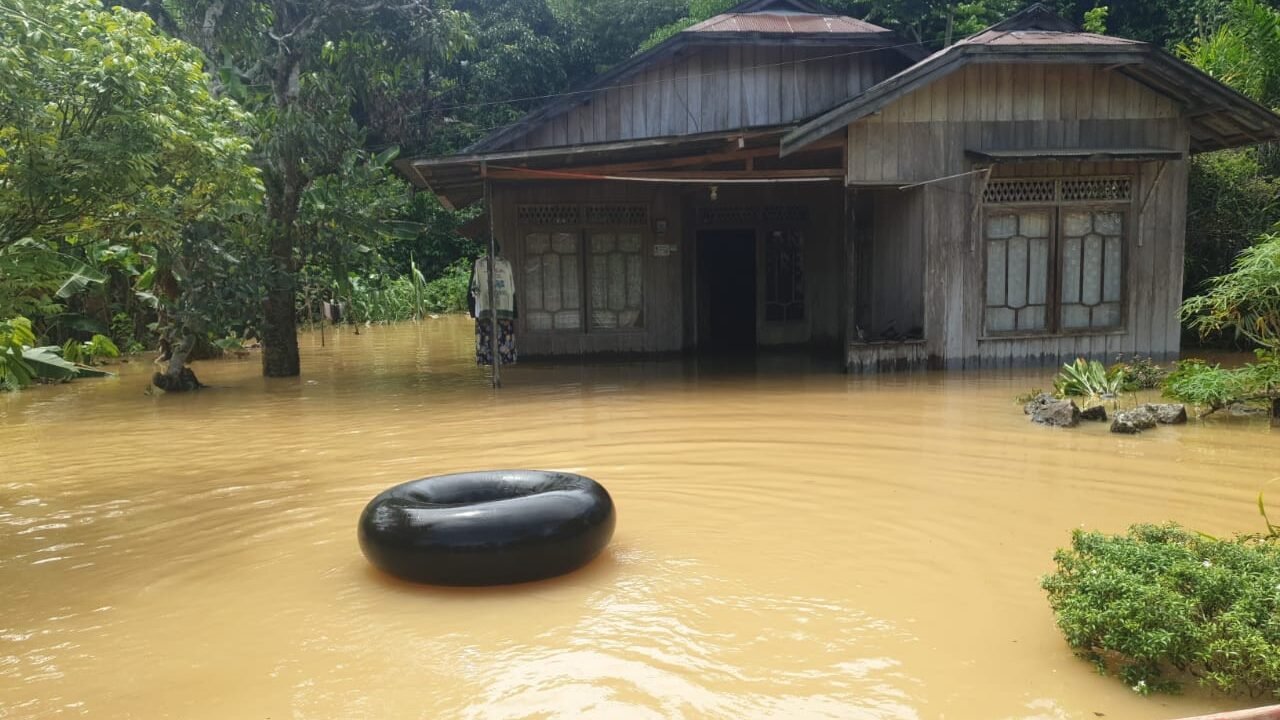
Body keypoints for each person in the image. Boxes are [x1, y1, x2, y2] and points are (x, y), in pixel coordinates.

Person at [469, 245, 516, 366]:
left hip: (485, 309)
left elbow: (473, 290)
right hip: (504, 309)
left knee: (488, 339)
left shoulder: (479, 264)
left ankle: (491, 361)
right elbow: (512, 290)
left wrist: (473, 311)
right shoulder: (505, 264)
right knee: (500, 339)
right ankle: (501, 361)